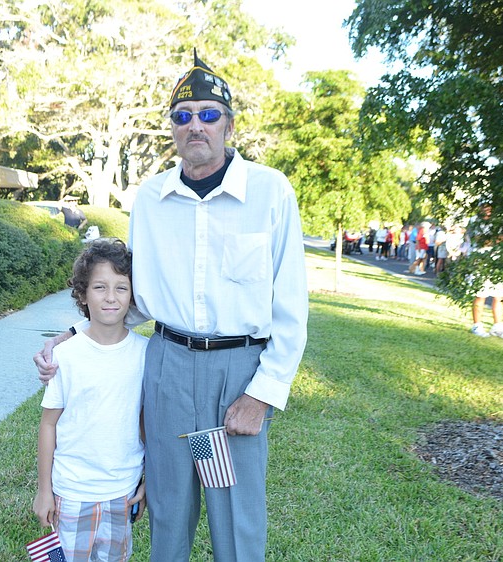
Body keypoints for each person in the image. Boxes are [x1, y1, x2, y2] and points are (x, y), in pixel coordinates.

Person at [35, 50, 308, 561]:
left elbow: (290, 307)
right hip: (170, 371)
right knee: (168, 505)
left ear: (228, 123)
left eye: (208, 114)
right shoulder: (152, 199)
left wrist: (263, 393)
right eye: (183, 116)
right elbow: (135, 301)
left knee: (233, 509)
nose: (196, 126)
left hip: (235, 378)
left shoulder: (269, 192)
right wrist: (73, 336)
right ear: (173, 128)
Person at [33, 238, 148, 561]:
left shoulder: (144, 354)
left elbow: (145, 422)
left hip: (122, 491)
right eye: (100, 287)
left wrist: (147, 478)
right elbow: (48, 425)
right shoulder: (65, 356)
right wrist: (45, 491)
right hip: (72, 492)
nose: (111, 297)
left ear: (133, 296)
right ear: (82, 295)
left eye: (121, 288)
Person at [466, 205, 503, 339]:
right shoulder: (474, 221)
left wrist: (496, 239)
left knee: (499, 295)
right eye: (486, 207)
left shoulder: (500, 221)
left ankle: (498, 326)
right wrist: (497, 239)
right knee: (480, 294)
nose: (488, 210)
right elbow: (480, 240)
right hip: (480, 260)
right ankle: (477, 324)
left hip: (498, 260)